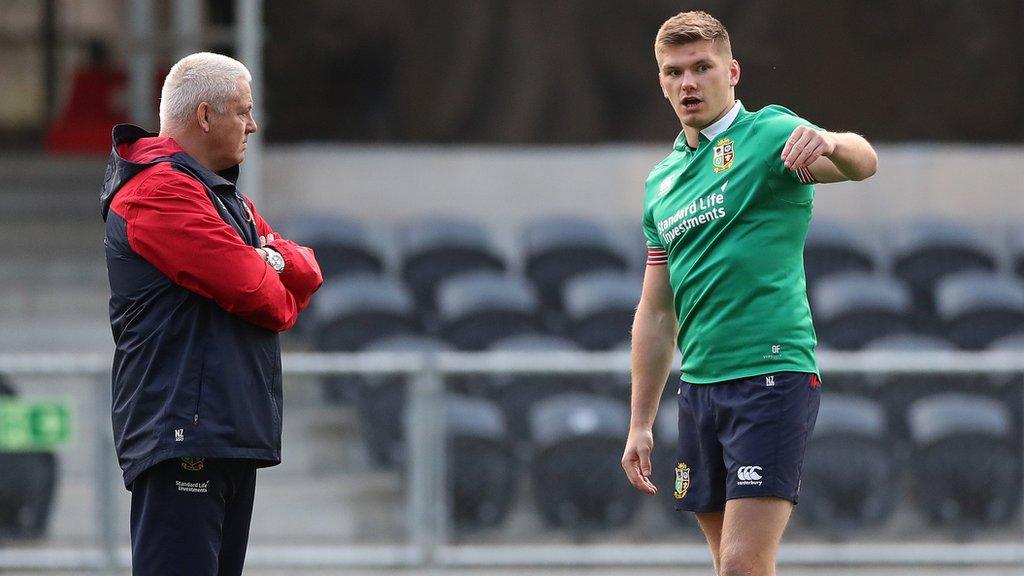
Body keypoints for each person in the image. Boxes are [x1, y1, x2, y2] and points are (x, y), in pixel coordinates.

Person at [621, 11, 877, 576]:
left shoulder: (769, 135)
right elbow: (657, 312)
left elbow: (864, 163)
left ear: (731, 71)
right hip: (700, 388)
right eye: (673, 72)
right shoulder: (660, 182)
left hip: (771, 375)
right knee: (731, 568)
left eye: (701, 68)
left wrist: (831, 141)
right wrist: (641, 422)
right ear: (661, 82)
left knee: (741, 564)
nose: (687, 83)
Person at [100, 52, 323, 575]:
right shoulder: (158, 192)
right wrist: (267, 262)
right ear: (204, 116)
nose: (253, 125)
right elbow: (263, 296)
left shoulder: (217, 195)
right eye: (243, 111)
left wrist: (267, 258)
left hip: (219, 430)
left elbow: (307, 272)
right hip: (184, 431)